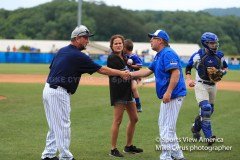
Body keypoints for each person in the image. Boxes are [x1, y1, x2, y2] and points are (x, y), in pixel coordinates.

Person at [41, 25, 130, 160]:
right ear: (77, 38)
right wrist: (121, 73)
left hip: (48, 89)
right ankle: (65, 157)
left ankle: (48, 155)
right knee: (63, 125)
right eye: (85, 38)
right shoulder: (78, 56)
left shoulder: (62, 51)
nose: (88, 41)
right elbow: (102, 70)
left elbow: (53, 68)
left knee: (54, 125)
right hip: (59, 92)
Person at [130, 29, 187, 160]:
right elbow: (147, 71)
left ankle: (166, 156)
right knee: (164, 126)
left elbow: (176, 73)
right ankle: (178, 155)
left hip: (173, 95)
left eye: (153, 38)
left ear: (160, 40)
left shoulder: (167, 53)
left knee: (167, 128)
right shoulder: (159, 55)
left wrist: (168, 92)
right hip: (169, 96)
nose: (150, 40)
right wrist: (129, 74)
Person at [185, 32, 228, 145]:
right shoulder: (198, 55)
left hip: (213, 85)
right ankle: (209, 137)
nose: (215, 45)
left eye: (215, 43)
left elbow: (225, 68)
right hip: (201, 84)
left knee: (209, 111)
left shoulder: (220, 56)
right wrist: (189, 79)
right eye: (212, 43)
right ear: (205, 43)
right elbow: (188, 67)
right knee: (206, 108)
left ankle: (195, 128)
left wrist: (221, 72)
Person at [107, 35, 143, 157]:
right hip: (118, 92)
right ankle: (113, 149)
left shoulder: (124, 56)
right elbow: (126, 74)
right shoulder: (112, 58)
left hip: (127, 91)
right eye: (115, 43)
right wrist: (138, 74)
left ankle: (128, 146)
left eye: (120, 43)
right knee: (117, 121)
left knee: (134, 118)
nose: (118, 45)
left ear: (123, 44)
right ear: (111, 46)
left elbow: (129, 72)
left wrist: (134, 74)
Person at [124, 39, 143, 112]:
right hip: (126, 76)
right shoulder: (123, 55)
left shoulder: (134, 56)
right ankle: (127, 104)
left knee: (134, 88)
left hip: (134, 75)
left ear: (125, 48)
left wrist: (131, 65)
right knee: (126, 89)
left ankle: (138, 105)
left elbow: (139, 65)